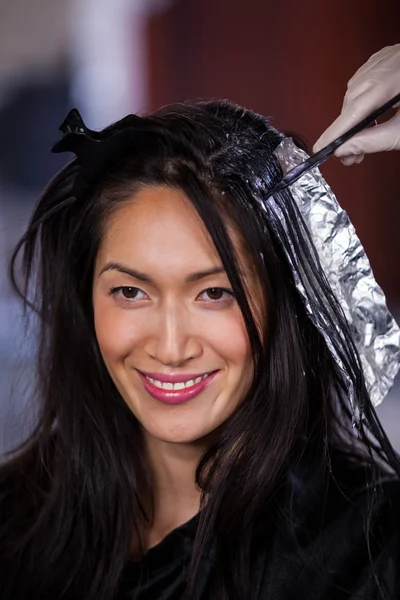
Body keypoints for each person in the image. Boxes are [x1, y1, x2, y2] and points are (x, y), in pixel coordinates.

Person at [0, 45, 399, 600]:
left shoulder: (371, 550)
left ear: (283, 303)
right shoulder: (15, 522)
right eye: (130, 291)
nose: (170, 346)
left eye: (215, 293)